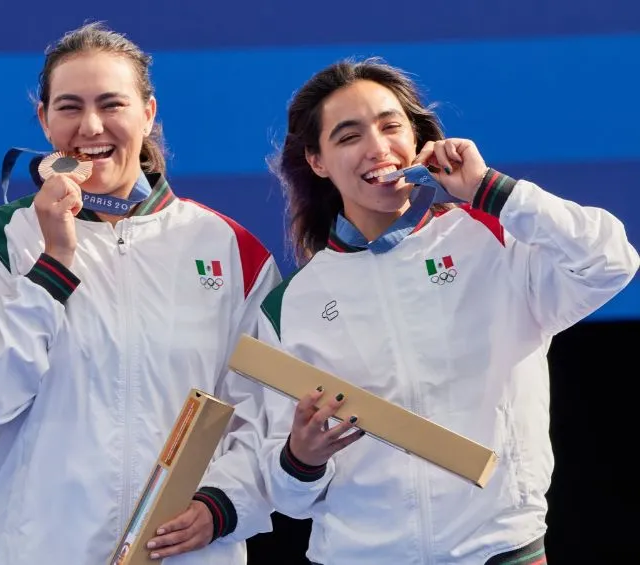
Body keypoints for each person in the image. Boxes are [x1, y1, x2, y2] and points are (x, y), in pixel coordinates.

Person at [255, 58, 639, 564]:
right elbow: (288, 498)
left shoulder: (493, 237)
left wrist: (490, 191)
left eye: (391, 126)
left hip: (500, 551)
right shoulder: (289, 307)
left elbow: (610, 262)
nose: (377, 147)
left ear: (417, 139)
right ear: (318, 161)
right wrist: (300, 458)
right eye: (349, 136)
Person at [0, 22, 283, 564]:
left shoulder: (230, 249)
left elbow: (263, 411)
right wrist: (54, 263)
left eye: (112, 104)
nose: (90, 127)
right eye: (68, 107)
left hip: (182, 552)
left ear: (148, 113)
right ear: (42, 119)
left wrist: (224, 505)